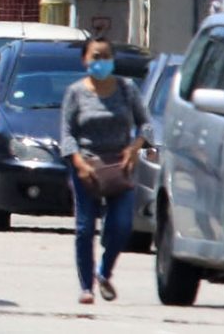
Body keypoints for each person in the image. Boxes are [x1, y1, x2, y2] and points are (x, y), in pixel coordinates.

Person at [60, 35, 148, 305]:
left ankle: (104, 271)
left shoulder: (126, 88)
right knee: (85, 228)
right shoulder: (75, 92)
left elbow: (146, 125)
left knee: (121, 225)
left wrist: (134, 148)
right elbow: (67, 133)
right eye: (95, 57)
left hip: (119, 166)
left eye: (106, 57)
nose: (101, 62)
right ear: (84, 60)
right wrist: (78, 162)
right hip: (87, 164)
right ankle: (86, 286)